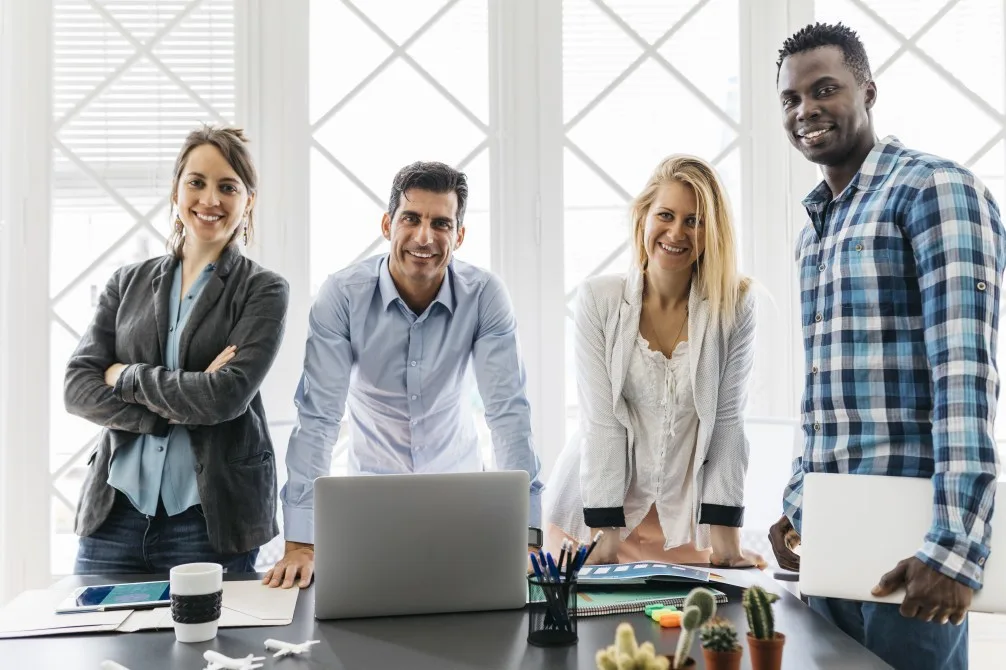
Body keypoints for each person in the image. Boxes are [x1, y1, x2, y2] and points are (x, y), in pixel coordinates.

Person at [769, 22, 1004, 670]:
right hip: (832, 546)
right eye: (791, 99)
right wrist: (798, 504)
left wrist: (957, 551)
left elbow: (965, 378)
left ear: (868, 91)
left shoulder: (933, 189)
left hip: (913, 555)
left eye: (825, 90)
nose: (806, 110)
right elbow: (828, 393)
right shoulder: (815, 231)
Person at [265, 161, 544, 588]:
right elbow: (319, 418)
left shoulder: (485, 295)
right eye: (411, 218)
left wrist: (527, 534)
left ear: (460, 235)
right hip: (371, 507)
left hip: (462, 502)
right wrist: (302, 541)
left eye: (441, 223)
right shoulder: (342, 296)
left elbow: (508, 414)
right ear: (387, 224)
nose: (424, 237)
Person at [64, 125, 290, 574]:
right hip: (114, 517)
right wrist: (180, 400)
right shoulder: (125, 283)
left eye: (228, 187)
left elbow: (225, 397)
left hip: (210, 521)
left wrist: (124, 377)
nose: (210, 199)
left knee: (207, 645)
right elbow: (77, 388)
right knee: (94, 643)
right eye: (196, 182)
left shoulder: (263, 290)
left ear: (248, 201)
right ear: (176, 191)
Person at [544, 154, 765, 569]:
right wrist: (604, 538)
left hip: (683, 528)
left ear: (711, 232)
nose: (676, 232)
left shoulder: (734, 305)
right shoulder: (598, 299)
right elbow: (602, 423)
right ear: (643, 216)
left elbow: (727, 425)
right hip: (596, 518)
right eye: (665, 215)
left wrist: (726, 544)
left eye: (694, 221)